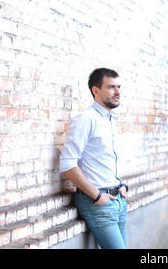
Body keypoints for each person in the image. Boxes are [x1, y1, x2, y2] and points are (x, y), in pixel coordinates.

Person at [59, 68, 128, 249]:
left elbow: (104, 161)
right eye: (111, 87)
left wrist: (119, 184)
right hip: (97, 203)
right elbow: (67, 163)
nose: (118, 92)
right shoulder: (86, 119)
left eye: (119, 87)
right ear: (96, 90)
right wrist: (96, 196)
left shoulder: (109, 119)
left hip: (117, 201)